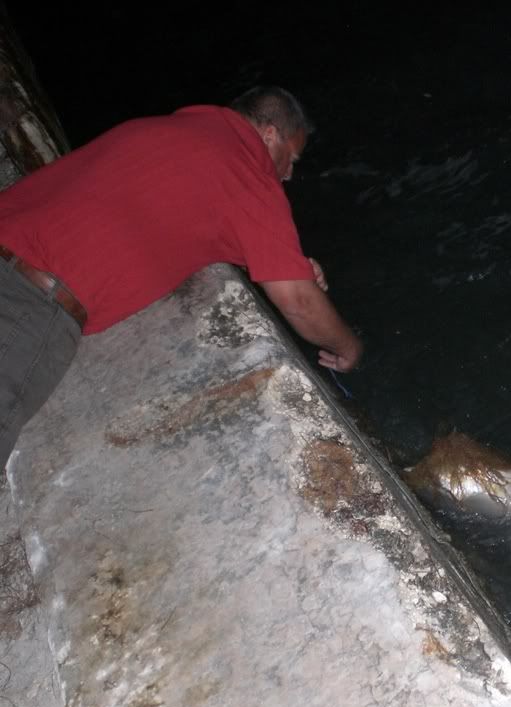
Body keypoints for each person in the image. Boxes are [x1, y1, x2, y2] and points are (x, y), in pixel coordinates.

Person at [0, 85, 363, 466]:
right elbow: (298, 302)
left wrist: (290, 264)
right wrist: (349, 349)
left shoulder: (171, 129)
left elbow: (179, 213)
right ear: (269, 135)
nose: (288, 175)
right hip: (26, 300)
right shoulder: (246, 168)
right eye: (292, 159)